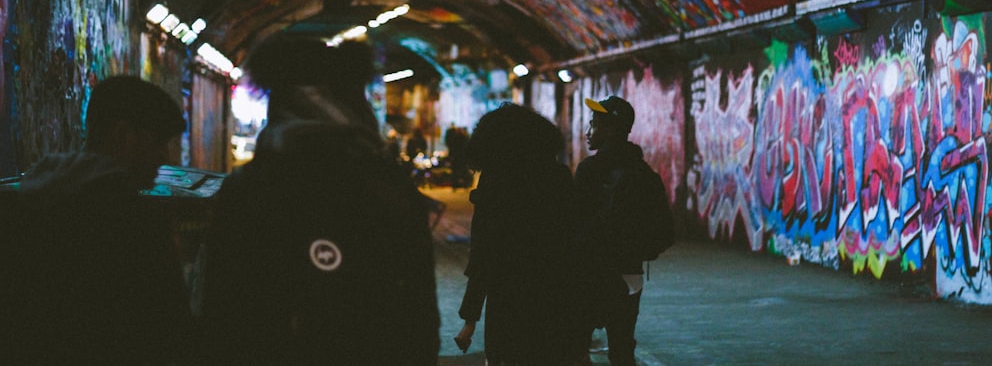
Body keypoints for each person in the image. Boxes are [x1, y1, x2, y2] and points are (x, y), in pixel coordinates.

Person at [197, 35, 440, 365]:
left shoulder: (250, 187)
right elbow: (419, 311)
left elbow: (221, 311)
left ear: (278, 101)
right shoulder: (387, 185)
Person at [0, 75, 193, 364]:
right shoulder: (133, 219)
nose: (163, 157)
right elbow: (167, 327)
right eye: (158, 143)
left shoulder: (24, 199)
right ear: (122, 134)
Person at [453, 102, 580, 365]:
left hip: (509, 301)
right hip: (556, 298)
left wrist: (470, 320)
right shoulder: (558, 176)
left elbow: (483, 253)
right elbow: (575, 243)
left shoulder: (496, 183)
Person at [573, 95, 655, 366]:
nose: (587, 132)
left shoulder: (589, 170)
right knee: (622, 348)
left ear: (610, 130)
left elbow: (573, 221)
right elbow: (660, 227)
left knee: (576, 346)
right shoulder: (644, 172)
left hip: (590, 272)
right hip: (629, 274)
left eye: (593, 125)